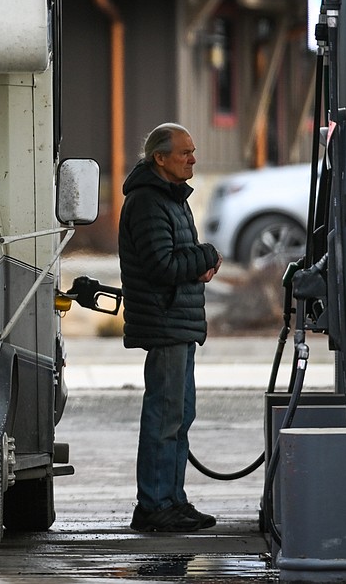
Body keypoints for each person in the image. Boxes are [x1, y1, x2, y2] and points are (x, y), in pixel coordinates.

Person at [118, 122, 222, 533]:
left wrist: (197, 260)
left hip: (177, 322)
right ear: (160, 158)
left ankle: (172, 499)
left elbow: (176, 260)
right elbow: (162, 265)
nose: (193, 159)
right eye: (185, 153)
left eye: (193, 151)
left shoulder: (172, 198)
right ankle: (154, 504)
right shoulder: (148, 202)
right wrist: (206, 256)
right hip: (165, 322)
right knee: (165, 417)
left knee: (180, 415)